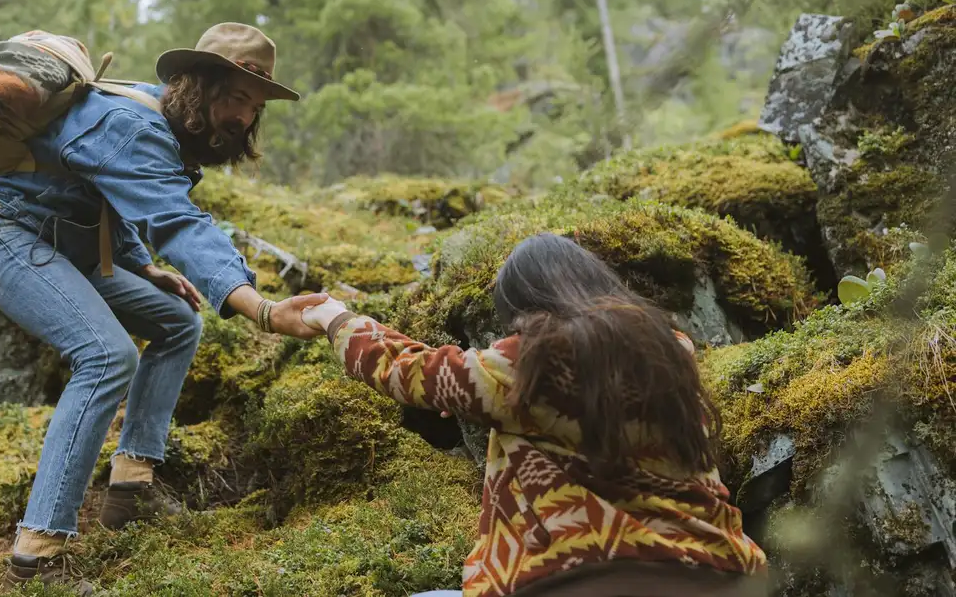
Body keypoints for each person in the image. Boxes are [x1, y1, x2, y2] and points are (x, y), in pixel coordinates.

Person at [0, 23, 327, 594]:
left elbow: (109, 195)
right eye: (233, 98)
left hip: (59, 242)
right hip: (1, 236)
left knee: (176, 321)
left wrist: (141, 266)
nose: (242, 120)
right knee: (106, 356)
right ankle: (39, 552)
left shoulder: (149, 118)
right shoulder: (133, 123)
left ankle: (131, 486)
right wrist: (264, 309)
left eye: (253, 108)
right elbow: (175, 222)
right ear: (195, 86)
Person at [301, 233, 769, 597]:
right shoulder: (673, 352)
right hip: (719, 574)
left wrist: (335, 318)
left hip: (585, 578)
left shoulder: (531, 363)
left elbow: (405, 371)